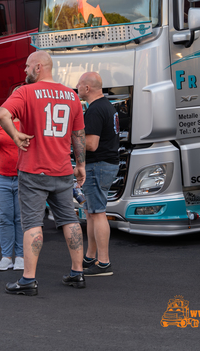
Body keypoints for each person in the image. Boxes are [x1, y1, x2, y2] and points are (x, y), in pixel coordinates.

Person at [0, 51, 86, 296]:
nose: (24, 71)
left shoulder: (24, 92)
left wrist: (15, 136)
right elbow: (78, 135)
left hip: (34, 170)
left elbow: (2, 114)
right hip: (62, 170)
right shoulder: (72, 95)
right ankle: (77, 273)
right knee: (70, 219)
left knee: (32, 225)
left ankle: (28, 280)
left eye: (26, 66)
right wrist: (80, 165)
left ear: (38, 67)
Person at [77, 72, 119, 276]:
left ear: (87, 88)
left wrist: (69, 142)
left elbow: (91, 144)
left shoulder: (94, 110)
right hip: (107, 163)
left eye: (78, 85)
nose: (76, 88)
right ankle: (90, 256)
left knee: (97, 212)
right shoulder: (108, 106)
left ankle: (103, 263)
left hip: (98, 165)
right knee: (91, 212)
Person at [0, 116, 24, 271]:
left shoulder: (30, 120)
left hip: (23, 176)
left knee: (20, 219)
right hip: (1, 175)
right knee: (4, 218)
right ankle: (6, 257)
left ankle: (21, 256)